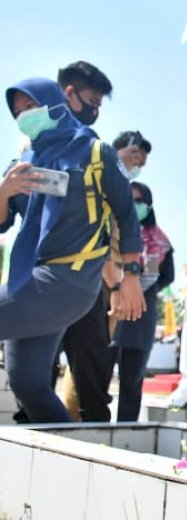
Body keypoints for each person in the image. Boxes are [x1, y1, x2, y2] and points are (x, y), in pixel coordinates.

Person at [0, 78, 143, 422]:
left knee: (82, 376)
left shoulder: (94, 153)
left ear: (54, 103)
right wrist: (4, 192)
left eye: (30, 107)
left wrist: (130, 277)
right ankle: (77, 462)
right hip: (29, 278)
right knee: (29, 384)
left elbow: (126, 213)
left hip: (70, 278)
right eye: (18, 111)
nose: (24, 116)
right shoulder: (24, 160)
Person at [55, 62, 147, 423]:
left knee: (91, 373)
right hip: (40, 276)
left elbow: (119, 221)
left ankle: (93, 446)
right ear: (69, 95)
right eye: (91, 100)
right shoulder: (36, 149)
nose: (95, 111)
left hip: (88, 280)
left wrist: (126, 277)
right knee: (33, 373)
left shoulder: (97, 155)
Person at [111, 181, 174, 421]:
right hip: (109, 311)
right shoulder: (107, 231)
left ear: (148, 206)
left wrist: (141, 290)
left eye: (139, 201)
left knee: (132, 379)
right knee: (96, 376)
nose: (134, 205)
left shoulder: (160, 240)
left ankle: (125, 432)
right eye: (129, 200)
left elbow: (167, 276)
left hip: (140, 316)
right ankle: (93, 427)